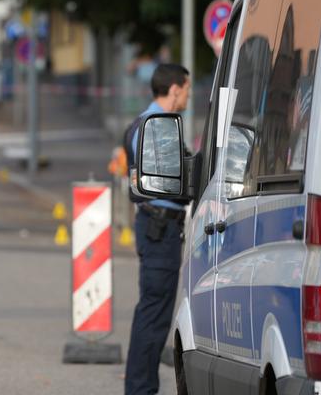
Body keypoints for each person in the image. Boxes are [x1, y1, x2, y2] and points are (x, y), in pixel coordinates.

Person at [123, 63, 191, 395]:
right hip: (159, 229)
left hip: (156, 227)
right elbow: (175, 183)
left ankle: (140, 388)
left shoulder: (149, 124)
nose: (188, 96)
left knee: (153, 313)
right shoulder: (157, 128)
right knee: (153, 316)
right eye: (187, 89)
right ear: (175, 89)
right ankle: (140, 390)